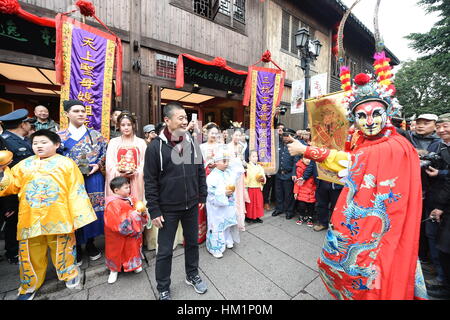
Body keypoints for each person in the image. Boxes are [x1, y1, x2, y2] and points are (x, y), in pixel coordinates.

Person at [287, 66, 427, 299]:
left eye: (375, 114)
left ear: (388, 113)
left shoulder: (394, 146)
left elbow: (353, 161)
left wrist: (307, 150)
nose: (369, 121)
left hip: (385, 223)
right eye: (361, 116)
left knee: (379, 268)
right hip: (364, 215)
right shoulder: (367, 143)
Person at [0, 129, 97, 300]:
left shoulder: (67, 164)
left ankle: (69, 273)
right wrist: (2, 171)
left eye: (43, 142)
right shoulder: (23, 165)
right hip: (30, 216)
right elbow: (10, 186)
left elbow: (76, 190)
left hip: (58, 215)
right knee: (30, 252)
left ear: (57, 145)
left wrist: (78, 216)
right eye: (35, 143)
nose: (39, 146)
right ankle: (30, 283)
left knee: (63, 248)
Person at [144, 102, 208, 300]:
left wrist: (202, 195)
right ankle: (163, 286)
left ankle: (192, 275)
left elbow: (199, 170)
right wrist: (154, 210)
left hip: (191, 204)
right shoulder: (155, 147)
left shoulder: (190, 141)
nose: (184, 121)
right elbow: (150, 180)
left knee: (192, 244)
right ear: (167, 120)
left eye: (185, 118)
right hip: (167, 208)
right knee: (164, 251)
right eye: (180, 118)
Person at [58, 100, 107, 265]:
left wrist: (98, 164)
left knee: (93, 210)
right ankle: (77, 245)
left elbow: (105, 154)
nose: (80, 114)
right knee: (74, 211)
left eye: (83, 111)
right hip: (71, 180)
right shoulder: (60, 136)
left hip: (93, 177)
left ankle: (91, 243)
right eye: (76, 111)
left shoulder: (95, 135)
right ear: (67, 114)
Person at [404, 113, 441, 268]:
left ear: (435, 125)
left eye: (426, 123)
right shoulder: (407, 138)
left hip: (432, 191)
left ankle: (426, 260)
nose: (420, 126)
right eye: (418, 122)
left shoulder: (440, 143)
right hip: (408, 189)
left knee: (428, 228)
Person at [0, 109, 35, 265]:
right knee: (13, 221)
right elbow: (4, 175)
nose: (29, 126)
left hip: (26, 189)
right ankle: (13, 252)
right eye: (28, 123)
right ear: (23, 124)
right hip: (13, 193)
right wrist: (8, 202)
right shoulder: (4, 142)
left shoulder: (23, 139)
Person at [423, 113, 450, 296]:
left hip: (444, 203)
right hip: (434, 197)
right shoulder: (437, 145)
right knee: (432, 237)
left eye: (445, 126)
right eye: (439, 127)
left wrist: (440, 173)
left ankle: (444, 281)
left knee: (444, 244)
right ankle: (439, 275)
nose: (441, 130)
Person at [104, 176, 149, 284]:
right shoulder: (112, 203)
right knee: (116, 251)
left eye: (129, 187)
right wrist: (133, 215)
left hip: (132, 232)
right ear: (116, 190)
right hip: (117, 235)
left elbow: (140, 210)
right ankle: (114, 270)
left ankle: (135, 265)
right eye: (126, 188)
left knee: (132, 248)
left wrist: (142, 212)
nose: (129, 189)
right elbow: (115, 221)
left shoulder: (132, 198)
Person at [205, 147, 241, 258]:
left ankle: (227, 239)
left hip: (227, 203)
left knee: (227, 223)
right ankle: (215, 248)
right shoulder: (212, 177)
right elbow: (211, 193)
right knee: (217, 225)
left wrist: (232, 155)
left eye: (227, 161)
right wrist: (224, 192)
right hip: (216, 206)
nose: (227, 164)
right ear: (216, 162)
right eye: (224, 161)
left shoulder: (228, 172)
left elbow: (238, 169)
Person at [105, 112, 147, 202]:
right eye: (123, 125)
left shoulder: (141, 143)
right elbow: (109, 164)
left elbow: (145, 162)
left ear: (133, 126)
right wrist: (119, 172)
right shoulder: (113, 142)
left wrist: (136, 172)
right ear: (119, 126)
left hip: (136, 180)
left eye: (129, 125)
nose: (126, 127)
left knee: (137, 207)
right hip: (118, 180)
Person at [272, 128, 300, 220]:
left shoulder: (294, 146)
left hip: (288, 174)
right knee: (278, 193)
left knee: (288, 194)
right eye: (284, 135)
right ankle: (279, 208)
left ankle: (289, 211)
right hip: (278, 173)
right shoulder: (280, 145)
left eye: (287, 136)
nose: (285, 138)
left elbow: (296, 161)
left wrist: (294, 173)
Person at [227, 127, 248, 231]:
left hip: (240, 176)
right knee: (232, 198)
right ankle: (230, 222)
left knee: (239, 199)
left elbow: (242, 161)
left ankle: (240, 223)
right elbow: (226, 162)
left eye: (239, 135)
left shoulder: (241, 147)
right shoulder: (226, 147)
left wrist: (244, 163)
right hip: (230, 176)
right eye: (236, 135)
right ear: (232, 135)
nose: (238, 137)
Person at [293, 157, 317, 227]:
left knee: (311, 206)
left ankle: (310, 218)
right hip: (302, 190)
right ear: (302, 159)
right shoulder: (299, 168)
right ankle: (301, 216)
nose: (308, 160)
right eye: (306, 158)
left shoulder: (314, 167)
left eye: (309, 159)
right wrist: (296, 192)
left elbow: (316, 181)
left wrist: (316, 190)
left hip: (311, 191)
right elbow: (297, 182)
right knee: (301, 206)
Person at [245, 150, 266, 223]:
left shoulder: (260, 167)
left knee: (258, 203)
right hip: (250, 187)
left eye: (256, 156)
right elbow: (245, 177)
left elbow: (263, 175)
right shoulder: (247, 166)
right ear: (249, 158)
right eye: (253, 156)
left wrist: (262, 179)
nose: (255, 158)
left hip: (257, 187)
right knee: (250, 203)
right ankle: (249, 217)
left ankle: (257, 216)